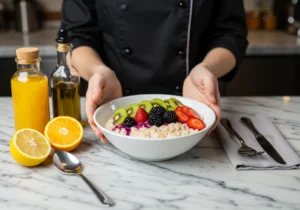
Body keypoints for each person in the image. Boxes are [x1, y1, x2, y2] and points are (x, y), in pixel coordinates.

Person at [60, 0, 248, 142]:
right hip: (114, 103)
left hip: (192, 110)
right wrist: (97, 71)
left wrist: (207, 68)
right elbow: (75, 37)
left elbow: (231, 34)